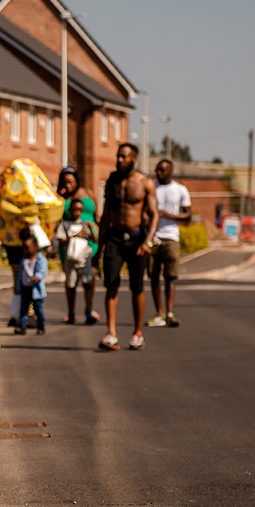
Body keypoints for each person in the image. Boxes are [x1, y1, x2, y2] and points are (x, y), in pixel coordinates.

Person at [98, 143, 158, 351]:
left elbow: (153, 215)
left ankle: (137, 332)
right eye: (118, 156)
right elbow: (106, 216)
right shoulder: (112, 182)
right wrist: (99, 247)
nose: (119, 160)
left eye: (123, 157)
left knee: (137, 287)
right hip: (114, 238)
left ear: (133, 158)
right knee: (111, 285)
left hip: (137, 240)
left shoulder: (145, 183)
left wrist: (148, 240)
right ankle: (111, 333)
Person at [147, 158, 192, 328]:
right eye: (157, 170)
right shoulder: (152, 188)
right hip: (154, 236)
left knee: (170, 277)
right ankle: (159, 313)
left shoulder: (180, 190)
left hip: (171, 236)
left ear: (170, 172)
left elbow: (187, 215)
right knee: (153, 276)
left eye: (162, 170)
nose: (158, 173)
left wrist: (168, 215)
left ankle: (170, 312)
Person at [56, 166, 100, 325]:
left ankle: (89, 309)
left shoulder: (89, 192)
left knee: (90, 279)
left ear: (77, 181)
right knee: (71, 281)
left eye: (71, 182)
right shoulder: (60, 197)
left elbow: (97, 216)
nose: (68, 185)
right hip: (70, 245)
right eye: (65, 182)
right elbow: (55, 220)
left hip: (90, 243)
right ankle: (71, 312)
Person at [15, 235, 47, 335]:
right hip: (25, 288)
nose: (25, 250)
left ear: (35, 246)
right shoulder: (23, 260)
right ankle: (22, 326)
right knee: (23, 309)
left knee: (38, 309)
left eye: (27, 247)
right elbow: (20, 274)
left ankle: (41, 325)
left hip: (36, 290)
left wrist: (37, 276)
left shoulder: (40, 259)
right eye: (23, 247)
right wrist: (18, 286)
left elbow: (43, 271)